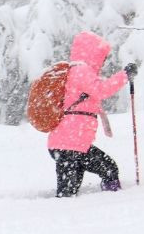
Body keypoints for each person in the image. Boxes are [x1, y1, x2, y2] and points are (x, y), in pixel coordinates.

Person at [46, 32, 130, 197]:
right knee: (108, 169)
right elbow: (101, 90)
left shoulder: (75, 72)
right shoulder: (81, 70)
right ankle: (115, 200)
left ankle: (76, 214)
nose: (104, 61)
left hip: (69, 144)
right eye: (102, 57)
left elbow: (90, 102)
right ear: (92, 53)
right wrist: (124, 76)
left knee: (69, 191)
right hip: (69, 145)